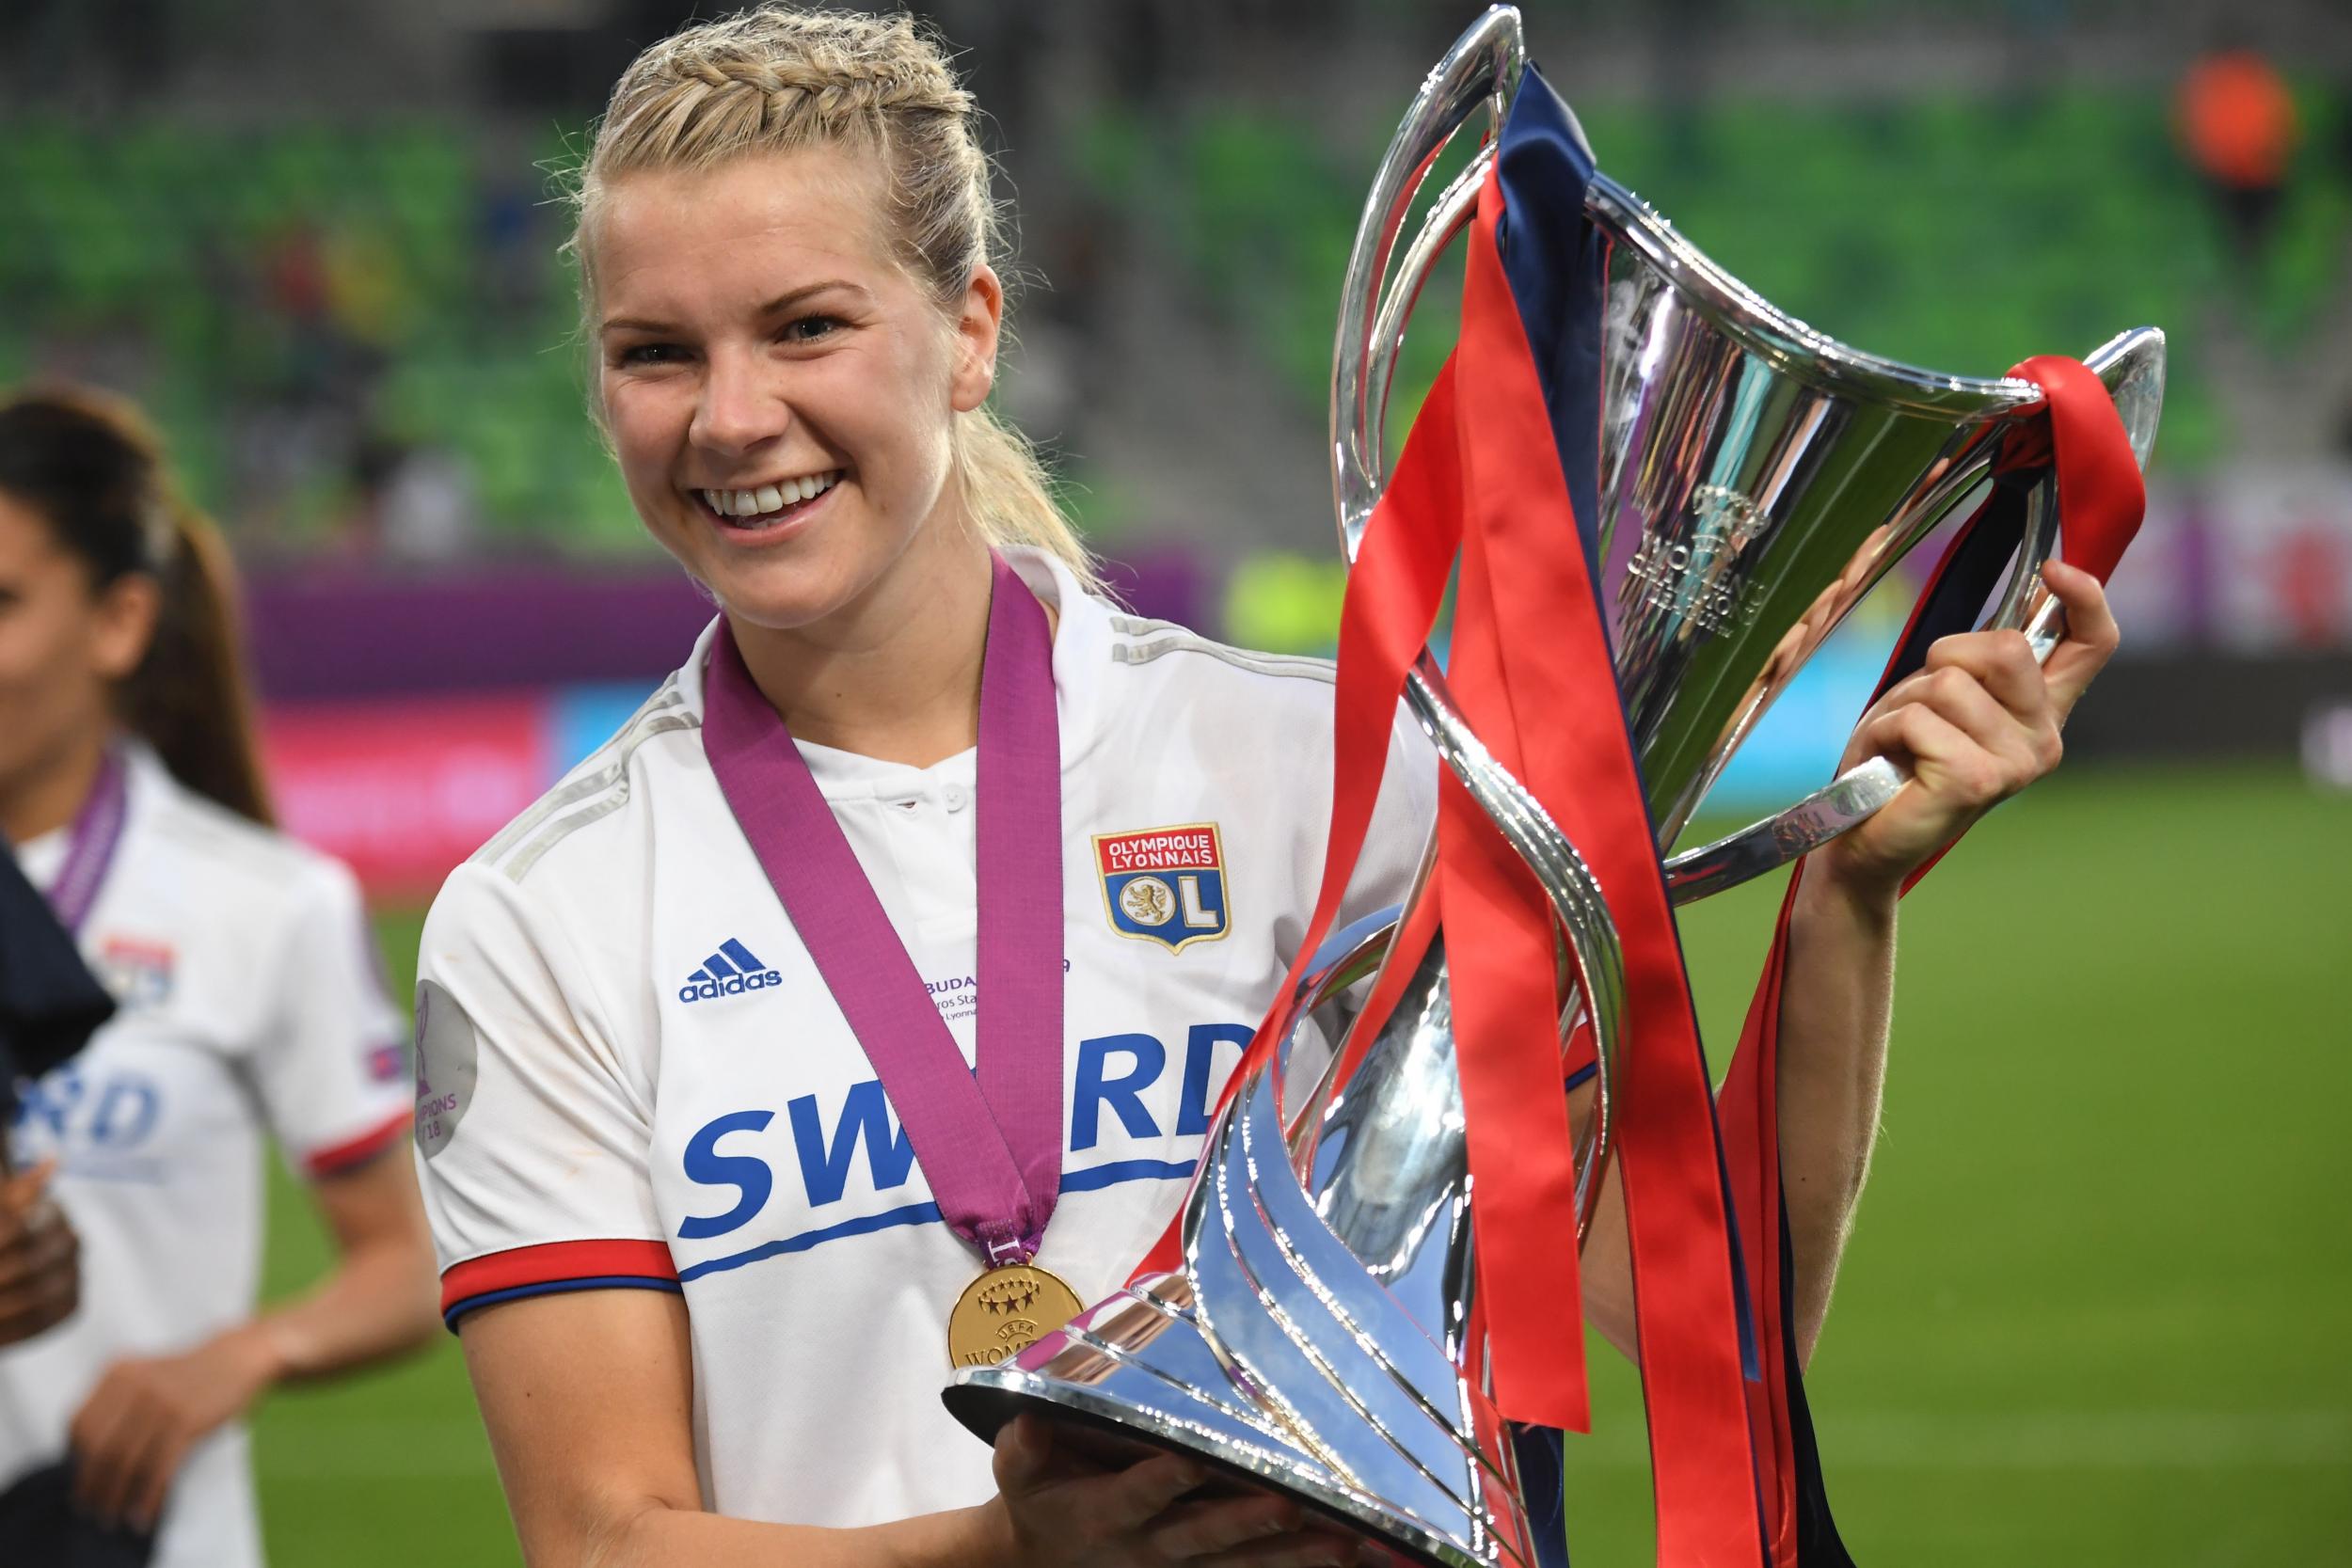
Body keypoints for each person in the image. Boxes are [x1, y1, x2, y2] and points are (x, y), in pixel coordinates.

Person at [412, 9, 2121, 1567]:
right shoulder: (543, 916)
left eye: (805, 328)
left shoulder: (1331, 774)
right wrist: (1032, 1549)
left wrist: (1849, 903)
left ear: (969, 331)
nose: (731, 417)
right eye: (655, 353)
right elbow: (603, 1539)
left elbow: (1651, 1316)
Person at [0, 387, 442, 1563]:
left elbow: (407, 1261)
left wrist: (233, 1357)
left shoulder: (265, 902)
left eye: (1, 601)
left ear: (119, 621)